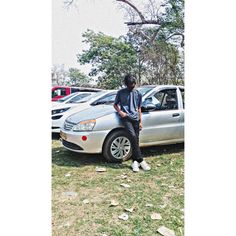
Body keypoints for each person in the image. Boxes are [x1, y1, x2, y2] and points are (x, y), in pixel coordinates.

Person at [113, 74, 151, 172]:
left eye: (134, 84)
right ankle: (141, 160)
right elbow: (115, 104)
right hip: (126, 118)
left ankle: (135, 162)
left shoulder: (138, 94)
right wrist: (120, 112)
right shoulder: (120, 92)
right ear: (126, 84)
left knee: (136, 140)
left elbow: (139, 108)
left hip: (136, 119)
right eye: (130, 84)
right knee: (133, 137)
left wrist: (140, 122)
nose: (132, 86)